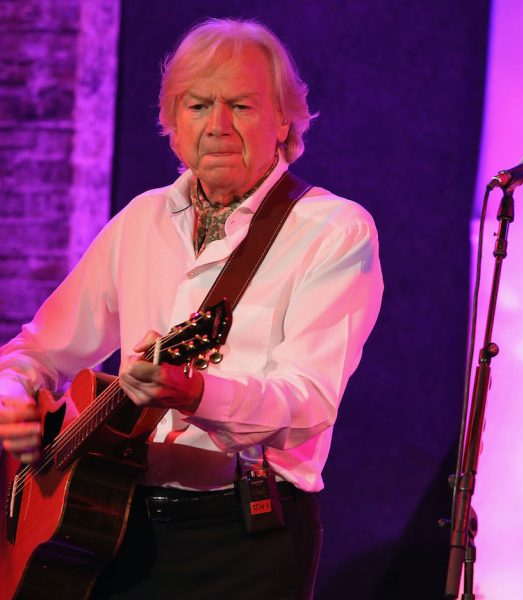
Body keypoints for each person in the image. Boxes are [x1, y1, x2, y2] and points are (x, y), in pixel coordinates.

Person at [0, 18, 383, 599]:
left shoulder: (333, 229)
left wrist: (198, 393)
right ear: (173, 127)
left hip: (241, 538)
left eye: (242, 106)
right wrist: (12, 400)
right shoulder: (141, 219)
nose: (218, 127)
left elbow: (308, 400)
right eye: (199, 105)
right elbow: (37, 348)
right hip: (112, 529)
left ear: (284, 120)